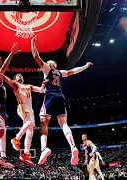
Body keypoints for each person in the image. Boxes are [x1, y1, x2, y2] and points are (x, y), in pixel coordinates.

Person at [31, 36, 93, 165]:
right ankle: (73, 148)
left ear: (49, 65)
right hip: (60, 96)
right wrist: (86, 66)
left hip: (50, 96)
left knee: (43, 123)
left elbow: (36, 57)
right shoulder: (60, 72)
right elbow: (74, 71)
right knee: (64, 124)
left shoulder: (47, 69)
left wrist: (32, 43)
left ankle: (44, 148)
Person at [0, 64, 46, 166]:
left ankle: (25, 154)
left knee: (30, 132)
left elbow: (41, 90)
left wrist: (45, 81)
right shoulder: (15, 85)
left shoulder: (29, 86)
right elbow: (5, 78)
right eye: (17, 75)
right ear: (15, 79)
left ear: (23, 79)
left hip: (30, 109)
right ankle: (16, 138)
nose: (19, 75)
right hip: (22, 107)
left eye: (20, 75)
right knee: (29, 123)